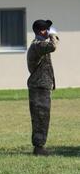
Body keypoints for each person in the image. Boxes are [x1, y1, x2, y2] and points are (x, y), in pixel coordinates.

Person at [27, 19, 59, 156]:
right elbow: (53, 46)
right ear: (41, 31)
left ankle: (40, 147)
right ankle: (39, 148)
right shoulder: (37, 45)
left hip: (41, 86)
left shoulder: (40, 44)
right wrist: (53, 34)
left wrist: (52, 34)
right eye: (47, 29)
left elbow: (52, 44)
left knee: (43, 117)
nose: (49, 31)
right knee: (41, 117)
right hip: (39, 87)